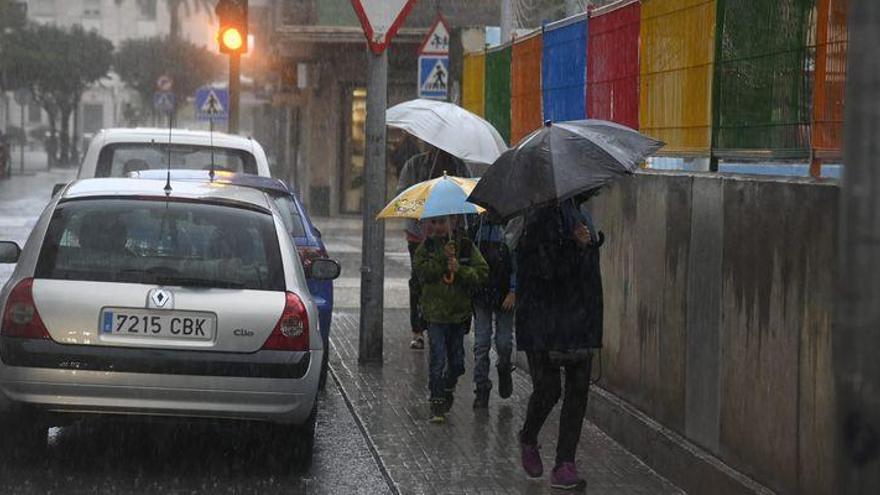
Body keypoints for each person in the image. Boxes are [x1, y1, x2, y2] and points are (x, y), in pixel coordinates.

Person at [515, 195, 604, 491]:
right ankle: (528, 436)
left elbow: (587, 272)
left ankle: (565, 462)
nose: (597, 188)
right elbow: (543, 270)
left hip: (578, 318)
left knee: (578, 390)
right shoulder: (540, 219)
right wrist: (574, 247)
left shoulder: (580, 214)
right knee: (549, 389)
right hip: (544, 321)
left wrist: (589, 246)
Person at [414, 215, 487, 424]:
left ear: (452, 222)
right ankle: (437, 403)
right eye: (434, 222)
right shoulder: (426, 248)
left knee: (457, 363)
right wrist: (442, 261)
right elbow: (421, 273)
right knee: (437, 359)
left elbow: (482, 273)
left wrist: (460, 270)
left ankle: (447, 386)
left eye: (442, 222)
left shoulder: (464, 246)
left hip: (458, 315)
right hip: (435, 315)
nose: (438, 227)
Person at [397, 145, 472, 350]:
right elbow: (403, 194)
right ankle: (418, 329)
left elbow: (471, 192)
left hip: (453, 230)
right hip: (419, 233)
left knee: (451, 276)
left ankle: (450, 323)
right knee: (419, 278)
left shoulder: (458, 166)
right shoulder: (416, 165)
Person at [470, 215, 516, 409]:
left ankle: (504, 367)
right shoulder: (476, 227)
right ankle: (481, 388)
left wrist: (513, 290)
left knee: (504, 343)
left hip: (504, 293)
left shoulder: (509, 228)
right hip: (482, 294)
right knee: (481, 344)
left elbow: (517, 261)